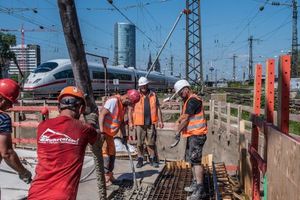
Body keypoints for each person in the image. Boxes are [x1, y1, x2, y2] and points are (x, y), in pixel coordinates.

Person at [28, 86, 100, 200]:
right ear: (81, 109)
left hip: (35, 193)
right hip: (62, 195)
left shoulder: (42, 127)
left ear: (58, 107)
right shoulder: (84, 129)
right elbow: (96, 139)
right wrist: (92, 121)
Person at [173, 79, 208, 200]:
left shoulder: (193, 100)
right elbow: (184, 116)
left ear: (186, 89)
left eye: (181, 93)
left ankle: (200, 190)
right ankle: (195, 183)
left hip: (197, 135)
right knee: (192, 160)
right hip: (192, 135)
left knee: (196, 161)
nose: (180, 95)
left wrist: (177, 131)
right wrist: (178, 122)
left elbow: (187, 119)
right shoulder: (188, 100)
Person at [99, 89, 140, 186]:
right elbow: (101, 115)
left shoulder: (123, 106)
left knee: (112, 156)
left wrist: (124, 135)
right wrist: (101, 132)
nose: (130, 105)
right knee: (106, 156)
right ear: (127, 97)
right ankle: (105, 179)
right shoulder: (113, 101)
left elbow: (121, 122)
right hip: (104, 133)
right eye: (130, 102)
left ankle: (110, 176)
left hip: (110, 135)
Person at [0, 78, 32, 184]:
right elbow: (7, 153)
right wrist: (23, 172)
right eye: (10, 102)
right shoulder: (3, 118)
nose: (11, 106)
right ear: (1, 99)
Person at [129, 77, 163, 168]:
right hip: (139, 123)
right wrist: (131, 122)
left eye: (144, 85)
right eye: (141, 86)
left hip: (151, 123)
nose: (143, 87)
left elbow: (158, 108)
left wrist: (160, 120)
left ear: (147, 85)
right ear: (139, 86)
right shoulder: (135, 95)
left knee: (151, 142)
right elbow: (130, 110)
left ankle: (152, 159)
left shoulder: (153, 94)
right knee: (139, 143)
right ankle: (140, 158)